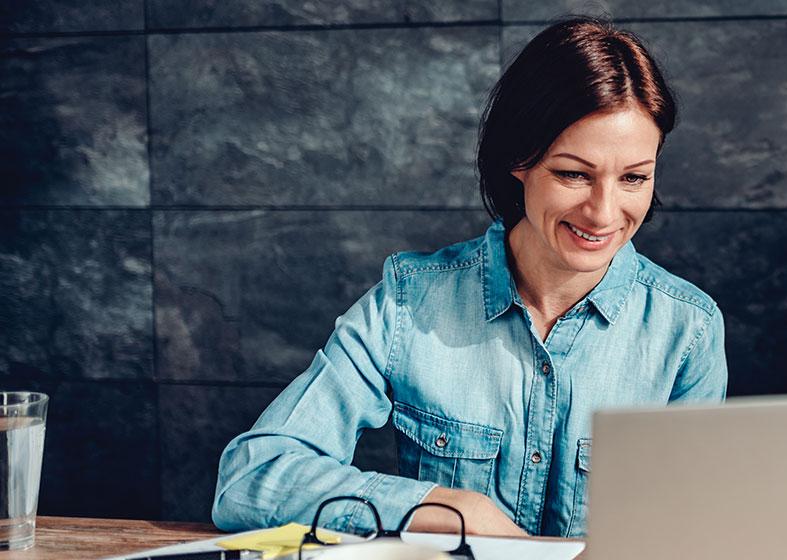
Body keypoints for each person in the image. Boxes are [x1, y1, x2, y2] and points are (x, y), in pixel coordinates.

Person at [211, 17, 727, 539]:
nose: (603, 212)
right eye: (574, 173)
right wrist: (441, 509)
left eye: (634, 177)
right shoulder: (409, 303)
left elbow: (700, 528)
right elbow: (252, 477)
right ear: (518, 162)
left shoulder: (689, 330)